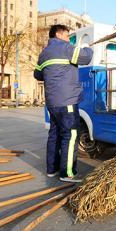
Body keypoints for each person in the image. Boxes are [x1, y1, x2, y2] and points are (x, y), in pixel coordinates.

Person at [34, 24, 93, 183]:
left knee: (54, 134)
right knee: (71, 135)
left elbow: (37, 74)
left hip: (52, 103)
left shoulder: (44, 54)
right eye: (67, 36)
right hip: (67, 101)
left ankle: (51, 169)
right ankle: (67, 173)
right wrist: (87, 47)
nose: (69, 39)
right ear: (59, 35)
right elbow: (86, 57)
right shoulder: (66, 49)